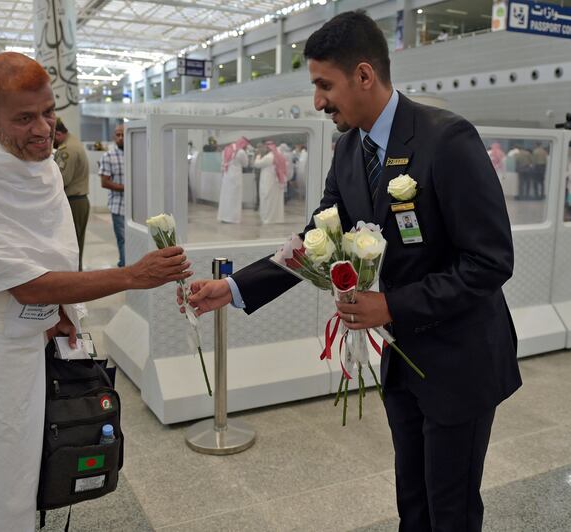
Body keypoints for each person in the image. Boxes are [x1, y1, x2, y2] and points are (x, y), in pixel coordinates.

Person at [180, 11, 520, 532]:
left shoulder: (445, 140)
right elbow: (319, 236)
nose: (318, 101)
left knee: (451, 510)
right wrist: (232, 287)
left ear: (364, 75)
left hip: (460, 360)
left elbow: (491, 261)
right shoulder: (349, 150)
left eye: (324, 85)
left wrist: (392, 305)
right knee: (413, 500)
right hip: (403, 363)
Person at [0, 52, 191, 532]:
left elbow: (48, 262)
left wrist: (62, 314)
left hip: (25, 352)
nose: (42, 129)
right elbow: (27, 284)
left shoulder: (45, 168)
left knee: (18, 470)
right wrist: (131, 276)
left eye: (48, 112)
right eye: (25, 118)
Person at [53, 118, 90, 270]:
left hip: (72, 201)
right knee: (75, 245)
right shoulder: (74, 143)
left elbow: (61, 179)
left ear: (58, 133)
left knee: (70, 247)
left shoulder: (67, 149)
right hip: (78, 200)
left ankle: (73, 279)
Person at [100, 125, 125, 267]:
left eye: (123, 134)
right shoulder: (108, 156)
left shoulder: (138, 154)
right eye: (117, 135)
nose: (120, 138)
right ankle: (125, 266)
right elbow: (104, 182)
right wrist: (128, 189)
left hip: (138, 206)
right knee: (123, 239)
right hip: (118, 206)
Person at [217, 136, 250, 224]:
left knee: (226, 197)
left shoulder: (226, 150)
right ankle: (232, 218)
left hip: (226, 176)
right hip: (235, 177)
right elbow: (246, 164)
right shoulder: (241, 152)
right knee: (234, 198)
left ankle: (224, 216)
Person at [254, 141, 287, 224]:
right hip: (276, 182)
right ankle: (277, 219)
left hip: (269, 182)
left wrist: (258, 156)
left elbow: (257, 164)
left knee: (267, 200)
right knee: (275, 201)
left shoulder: (269, 157)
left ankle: (268, 219)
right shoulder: (278, 156)